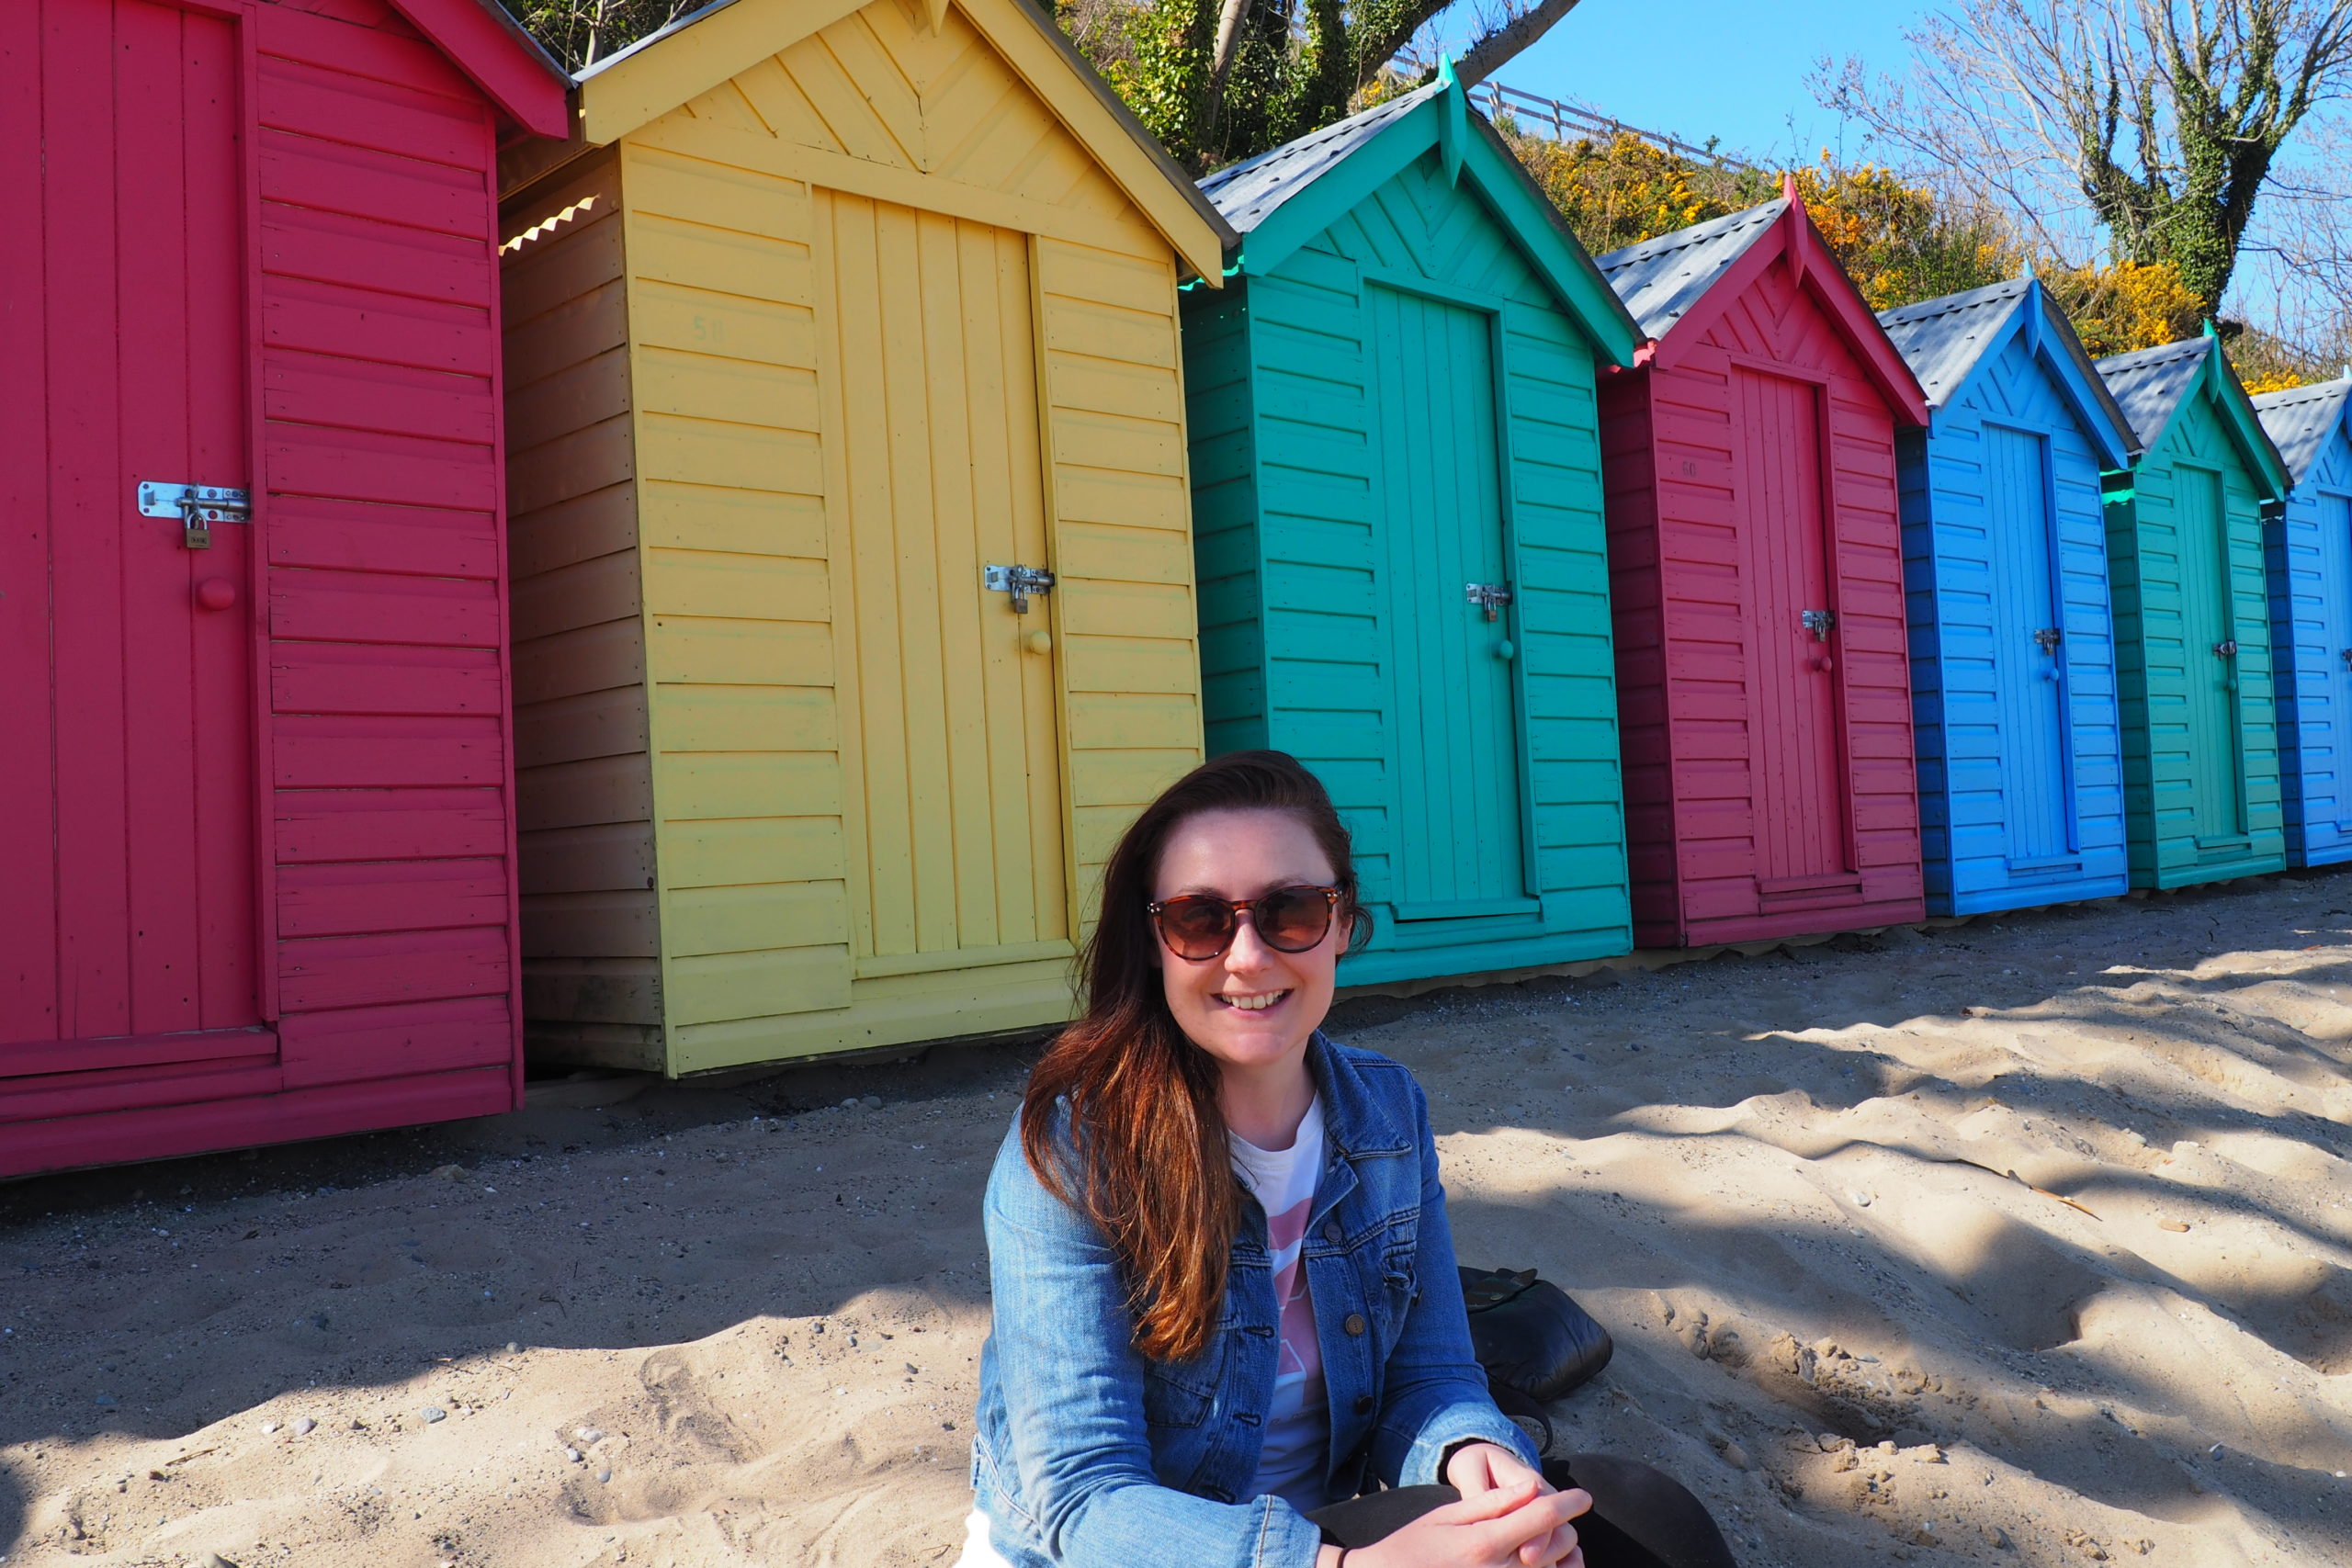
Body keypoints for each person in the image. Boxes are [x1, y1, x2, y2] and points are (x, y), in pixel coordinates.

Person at [956, 751, 1736, 1568]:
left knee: (1651, 1524)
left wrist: (1486, 1466)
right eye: (1200, 918)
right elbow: (1085, 1499)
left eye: (1289, 910)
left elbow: (1433, 1372)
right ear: (1154, 942)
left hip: (1320, 1535)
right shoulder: (1073, 1149)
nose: (1248, 956)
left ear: (1341, 923)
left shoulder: (1386, 1112)